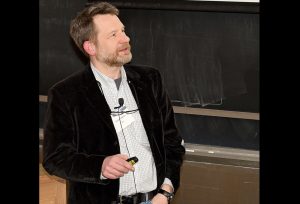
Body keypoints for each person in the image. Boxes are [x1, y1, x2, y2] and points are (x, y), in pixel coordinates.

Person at [42, 2, 185, 204]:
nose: (125, 39)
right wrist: (100, 166)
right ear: (90, 47)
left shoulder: (150, 80)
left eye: (123, 31)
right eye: (113, 35)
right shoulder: (66, 94)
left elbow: (173, 142)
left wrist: (166, 191)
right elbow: (55, 158)